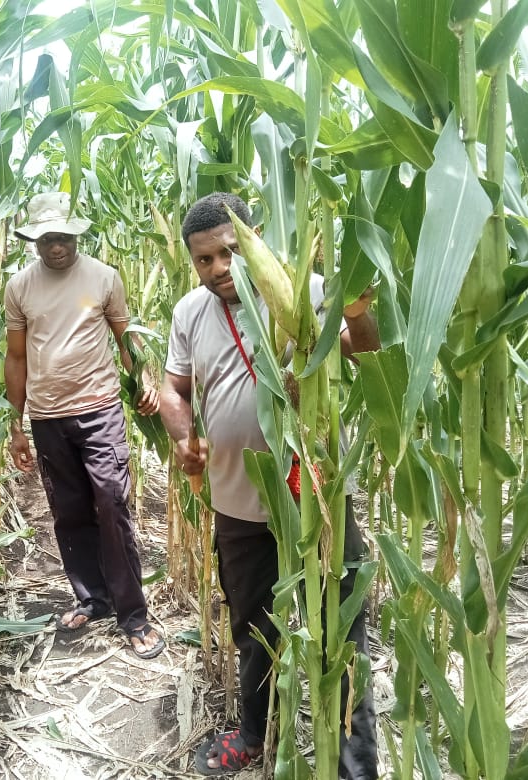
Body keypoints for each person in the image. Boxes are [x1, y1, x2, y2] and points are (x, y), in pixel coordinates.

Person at [159, 193, 380, 777]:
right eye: (204, 260)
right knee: (254, 627)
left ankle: (354, 765)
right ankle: (255, 733)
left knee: (343, 631)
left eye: (230, 252)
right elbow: (174, 390)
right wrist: (184, 437)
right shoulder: (190, 313)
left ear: (254, 238)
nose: (219, 269)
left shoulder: (305, 292)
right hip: (239, 501)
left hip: (319, 500)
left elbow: (371, 356)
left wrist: (354, 311)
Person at [4, 191, 166, 661]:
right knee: (69, 511)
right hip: (48, 418)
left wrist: (145, 378)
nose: (58, 246)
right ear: (35, 241)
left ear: (77, 234)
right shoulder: (19, 288)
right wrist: (15, 425)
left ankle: (133, 615)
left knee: (112, 505)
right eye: (49, 238)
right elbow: (16, 358)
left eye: (66, 237)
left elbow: (126, 337)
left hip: (99, 411)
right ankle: (91, 599)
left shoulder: (103, 278)